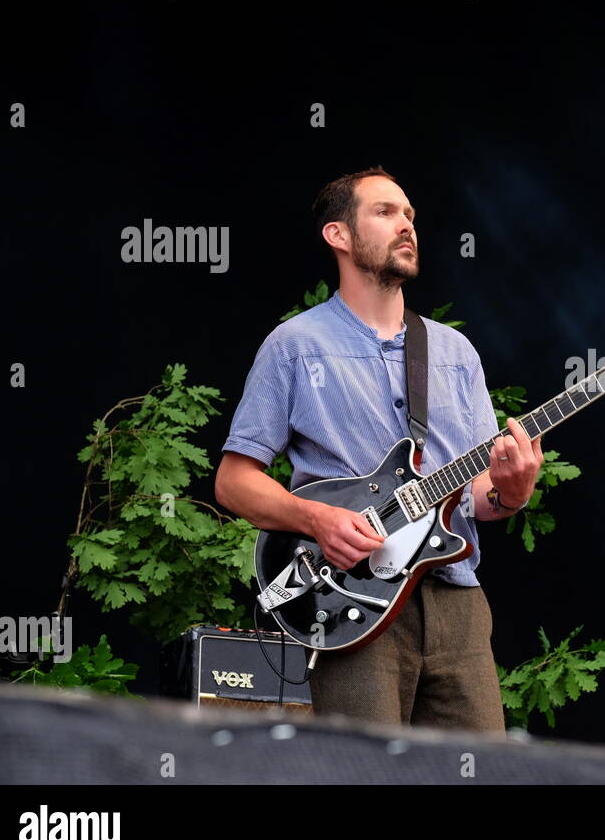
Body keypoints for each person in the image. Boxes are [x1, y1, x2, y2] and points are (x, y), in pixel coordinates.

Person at [214, 166, 543, 732]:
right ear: (338, 235)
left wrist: (512, 492)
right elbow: (233, 480)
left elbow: (480, 497)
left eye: (411, 215)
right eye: (386, 212)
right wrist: (316, 519)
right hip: (351, 599)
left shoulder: (455, 352)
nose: (406, 225)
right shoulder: (295, 345)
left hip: (458, 605)